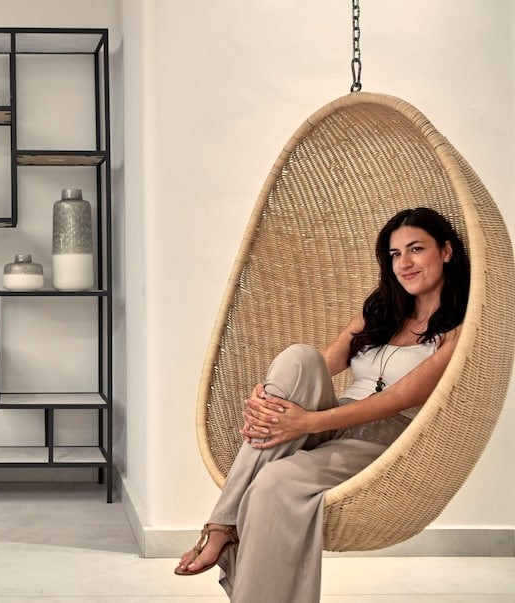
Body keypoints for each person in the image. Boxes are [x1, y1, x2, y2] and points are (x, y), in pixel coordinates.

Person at [175, 207, 470, 603]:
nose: (404, 263)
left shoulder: (458, 332)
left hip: (383, 442)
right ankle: (223, 525)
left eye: (416, 249)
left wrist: (308, 423)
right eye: (395, 254)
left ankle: (221, 530)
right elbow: (324, 362)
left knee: (275, 482)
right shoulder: (380, 311)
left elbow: (400, 398)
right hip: (332, 420)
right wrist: (268, 398)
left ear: (446, 251)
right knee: (300, 356)